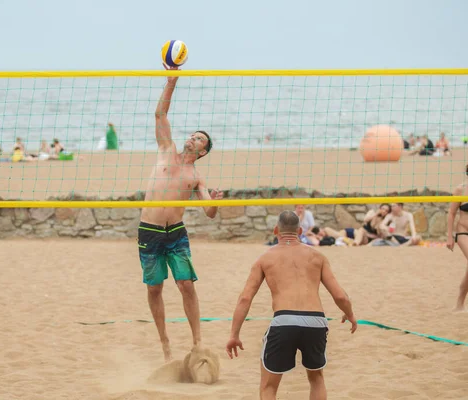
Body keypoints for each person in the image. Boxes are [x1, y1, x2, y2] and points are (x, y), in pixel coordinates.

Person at [138, 64, 223, 362]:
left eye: (199, 139)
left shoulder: (196, 176)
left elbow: (209, 213)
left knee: (186, 284)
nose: (192, 138)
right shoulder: (166, 148)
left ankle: (197, 341)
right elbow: (160, 115)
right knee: (154, 288)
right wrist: (171, 82)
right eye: (193, 134)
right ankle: (164, 343)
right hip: (149, 231)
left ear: (203, 151)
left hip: (175, 233)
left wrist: (215, 202)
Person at [225, 211, 357, 400]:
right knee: (317, 378)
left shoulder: (265, 259)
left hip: (284, 321)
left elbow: (245, 298)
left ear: (275, 230)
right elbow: (340, 296)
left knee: (268, 387)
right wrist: (349, 314)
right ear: (300, 231)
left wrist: (234, 335)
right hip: (316, 322)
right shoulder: (318, 257)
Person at [446, 164, 468, 311]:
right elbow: (451, 213)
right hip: (463, 231)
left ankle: (460, 303)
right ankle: (460, 302)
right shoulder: (461, 189)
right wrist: (449, 236)